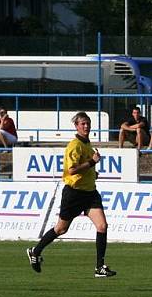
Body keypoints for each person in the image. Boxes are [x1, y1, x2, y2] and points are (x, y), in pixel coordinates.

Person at [26, 112, 117, 278]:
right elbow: (72, 170)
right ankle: (35, 251)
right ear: (76, 126)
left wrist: (92, 173)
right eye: (82, 123)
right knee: (61, 229)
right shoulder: (74, 145)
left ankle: (99, 267)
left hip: (90, 193)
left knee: (102, 226)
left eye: (88, 123)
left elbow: (83, 169)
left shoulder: (87, 143)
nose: (86, 126)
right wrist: (92, 162)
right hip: (74, 194)